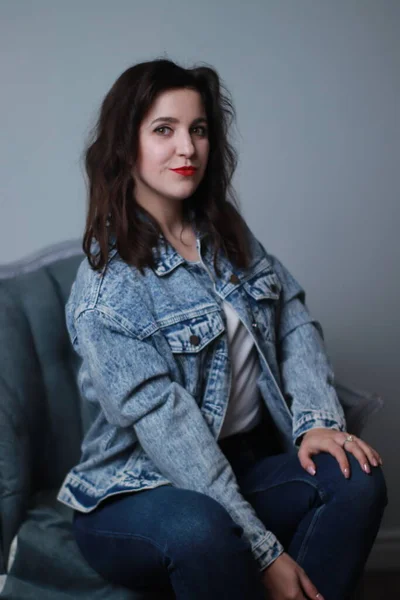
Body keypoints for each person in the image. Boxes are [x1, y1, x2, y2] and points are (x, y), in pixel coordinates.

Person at [57, 58, 387, 600]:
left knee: (354, 478)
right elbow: (171, 433)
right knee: (203, 530)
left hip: (240, 466)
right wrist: (265, 551)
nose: (187, 148)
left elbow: (291, 318)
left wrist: (315, 423)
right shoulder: (107, 290)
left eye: (199, 129)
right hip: (135, 490)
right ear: (126, 144)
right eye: (164, 130)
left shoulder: (225, 233)